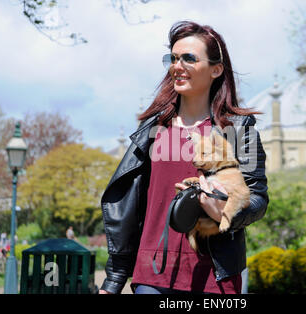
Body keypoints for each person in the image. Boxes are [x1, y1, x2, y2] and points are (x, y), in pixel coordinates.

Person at [99, 21, 268, 294]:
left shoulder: (238, 130)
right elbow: (131, 205)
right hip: (152, 273)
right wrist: (114, 280)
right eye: (173, 58)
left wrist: (226, 211)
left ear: (216, 69)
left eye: (188, 58)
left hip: (216, 277)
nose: (177, 66)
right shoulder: (152, 130)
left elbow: (258, 198)